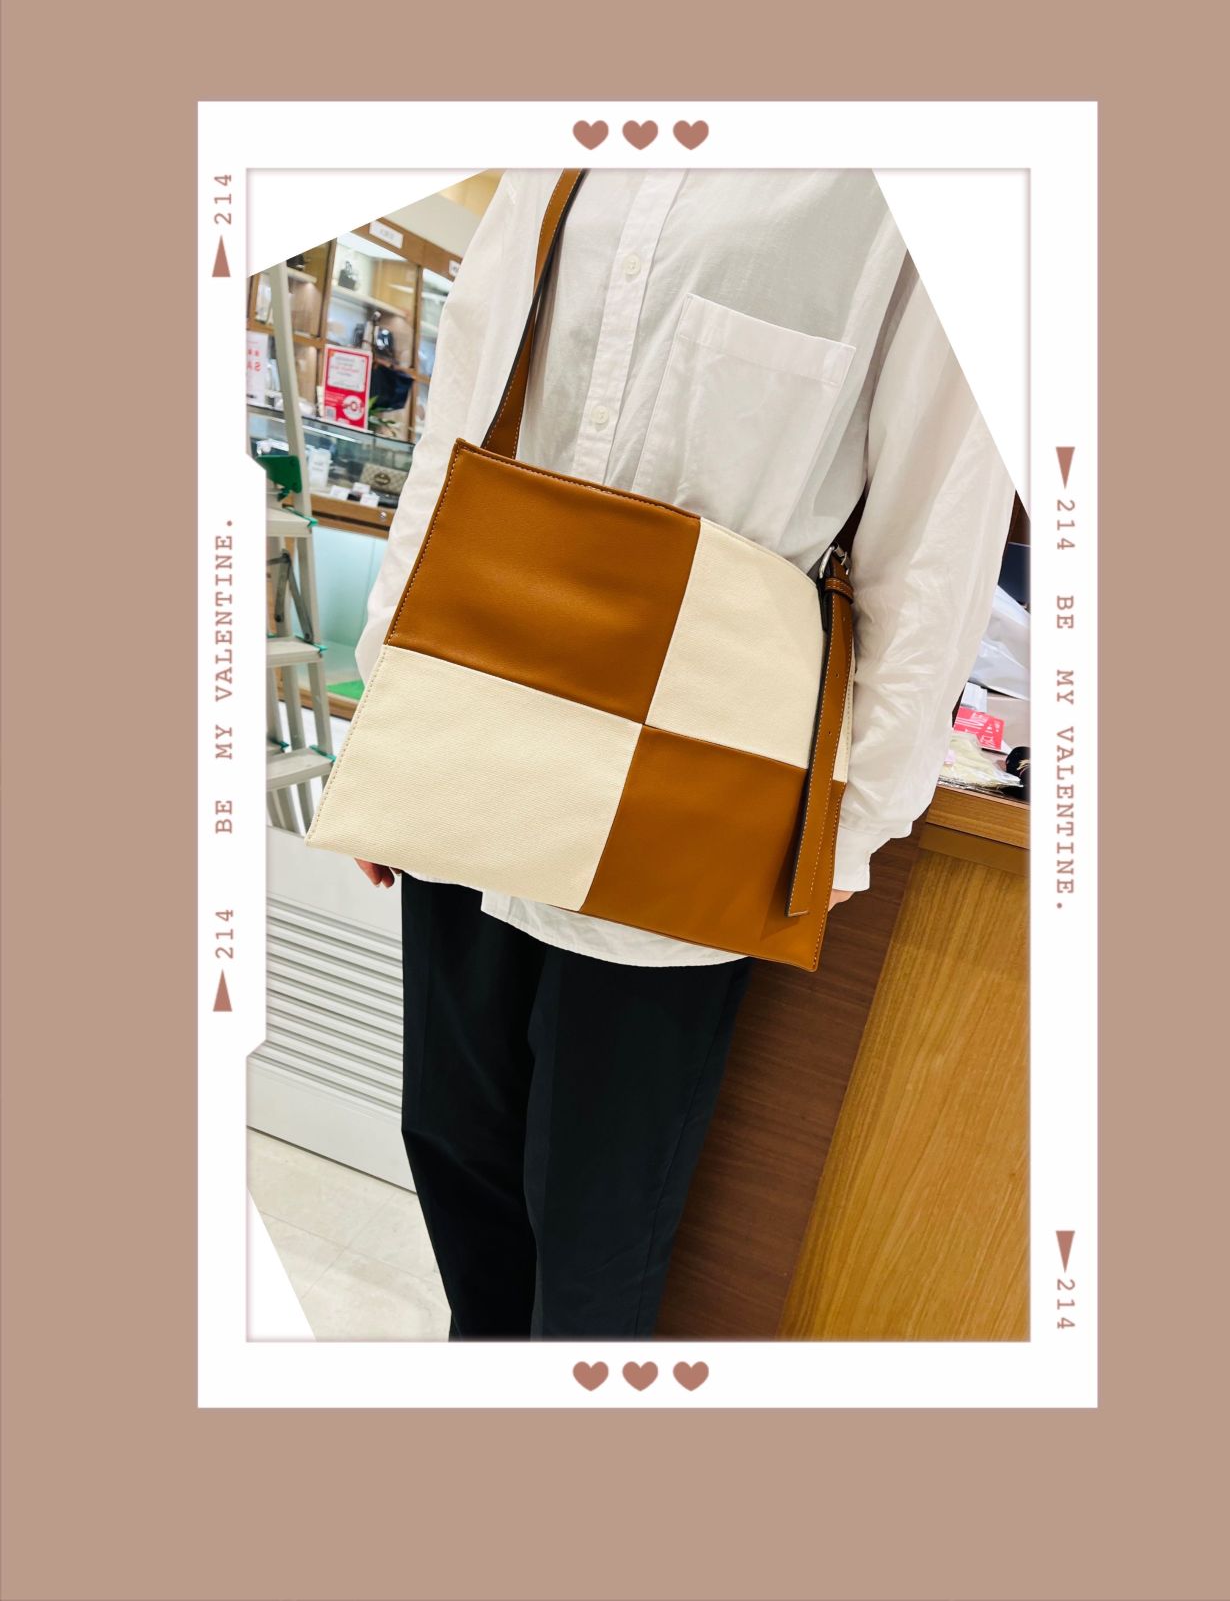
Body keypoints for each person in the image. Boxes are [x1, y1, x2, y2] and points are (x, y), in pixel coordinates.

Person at [350, 169, 1015, 1340]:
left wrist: (849, 817)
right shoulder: (569, 144)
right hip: (478, 701)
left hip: (698, 749)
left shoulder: (922, 176)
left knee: (595, 1227)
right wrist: (389, 691)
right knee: (453, 1149)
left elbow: (935, 524)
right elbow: (460, 414)